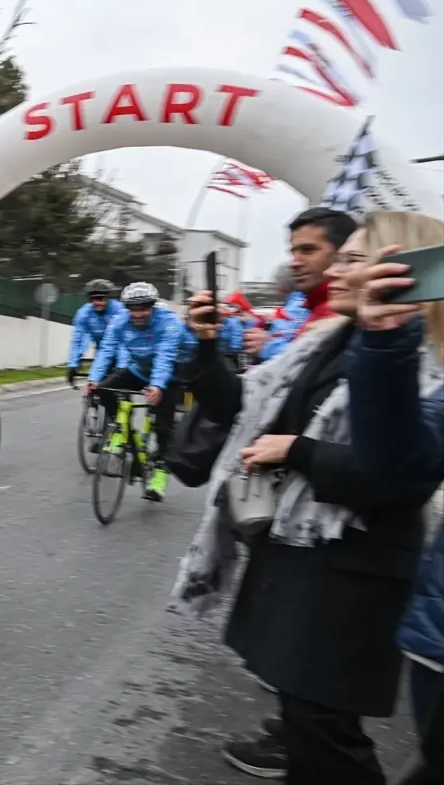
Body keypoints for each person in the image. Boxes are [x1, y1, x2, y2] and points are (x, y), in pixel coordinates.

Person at [170, 211, 440, 784]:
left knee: (326, 738)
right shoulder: (321, 344)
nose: (334, 271)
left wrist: (298, 452)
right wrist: (206, 347)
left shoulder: (419, 362)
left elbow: (398, 475)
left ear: (403, 272)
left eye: (352, 259)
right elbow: (240, 409)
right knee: (307, 726)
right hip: (298, 562)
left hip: (351, 574)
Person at [345, 212, 444, 783]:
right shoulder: (391, 340)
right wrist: (384, 344)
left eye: (356, 260)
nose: (343, 273)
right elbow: (399, 461)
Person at [82, 282, 183, 501]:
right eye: (133, 309)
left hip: (167, 377)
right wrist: (93, 379)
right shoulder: (120, 321)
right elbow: (107, 349)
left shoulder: (168, 323)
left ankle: (160, 474)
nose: (137, 314)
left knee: (164, 428)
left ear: (153, 307)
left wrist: (157, 386)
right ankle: (122, 429)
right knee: (102, 390)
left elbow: (164, 358)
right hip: (137, 371)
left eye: (143, 308)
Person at [243, 208, 356, 362]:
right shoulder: (313, 307)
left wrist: (269, 347)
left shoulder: (350, 313)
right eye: (293, 253)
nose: (294, 263)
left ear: (343, 253)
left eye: (308, 250)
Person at [67, 278, 126, 387]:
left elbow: (124, 341)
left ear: (108, 297)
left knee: (122, 385)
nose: (96, 302)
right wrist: (73, 364)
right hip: (102, 353)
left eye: (100, 298)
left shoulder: (120, 310)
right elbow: (78, 339)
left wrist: (122, 364)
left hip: (123, 350)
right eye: (92, 299)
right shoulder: (84, 313)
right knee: (99, 388)